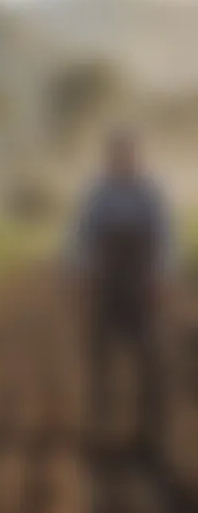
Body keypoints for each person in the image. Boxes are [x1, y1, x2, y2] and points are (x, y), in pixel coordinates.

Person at [70, 129, 173, 457]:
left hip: (140, 282)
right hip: (107, 283)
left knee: (148, 356)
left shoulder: (150, 194)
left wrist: (158, 278)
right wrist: (85, 278)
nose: (122, 160)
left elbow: (164, 239)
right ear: (110, 159)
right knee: (102, 357)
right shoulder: (98, 195)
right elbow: (82, 238)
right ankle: (102, 426)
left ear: (137, 158)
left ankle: (150, 429)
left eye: (128, 154)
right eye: (117, 155)